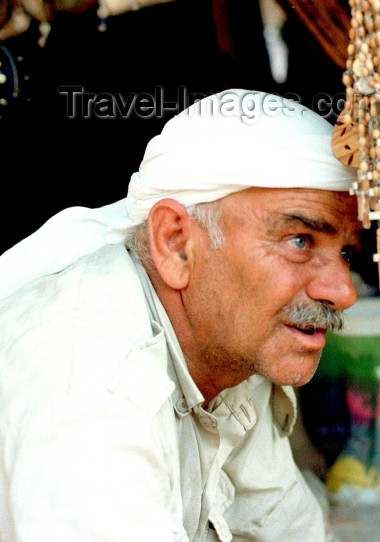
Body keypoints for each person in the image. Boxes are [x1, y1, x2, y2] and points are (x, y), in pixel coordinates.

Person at [0, 89, 361, 541]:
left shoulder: (230, 351)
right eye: (300, 241)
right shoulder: (89, 384)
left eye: (346, 251)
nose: (343, 291)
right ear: (175, 243)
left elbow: (284, 526)